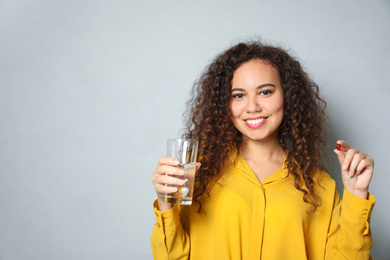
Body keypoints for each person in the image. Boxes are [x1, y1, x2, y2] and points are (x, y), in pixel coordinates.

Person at [151, 41, 375, 259]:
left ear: (288, 96)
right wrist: (165, 202)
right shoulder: (196, 177)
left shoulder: (320, 186)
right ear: (223, 105)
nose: (252, 107)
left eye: (265, 92)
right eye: (238, 95)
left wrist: (356, 194)